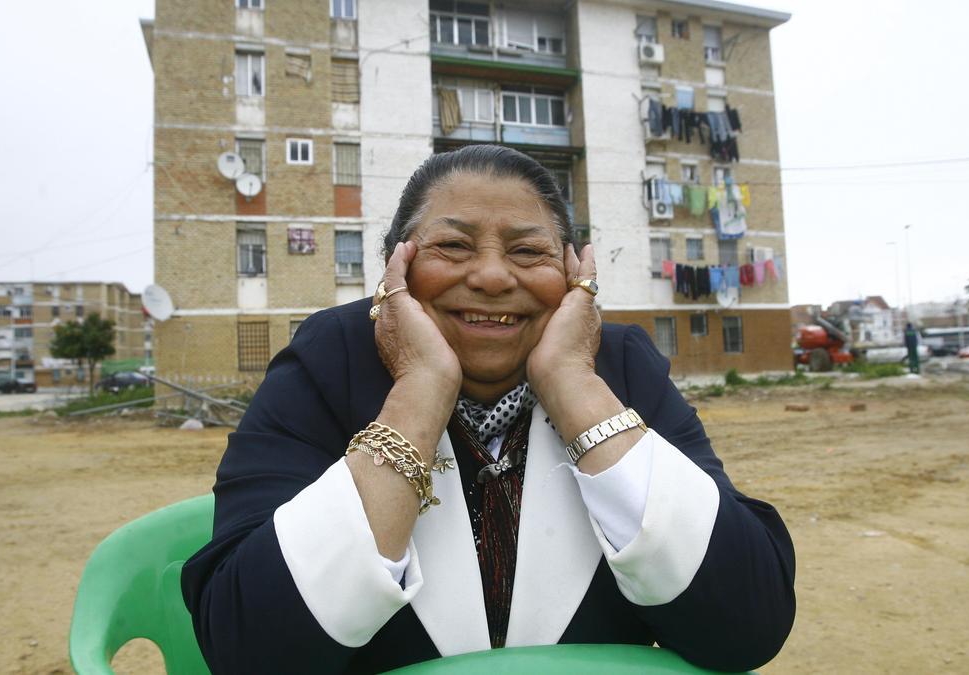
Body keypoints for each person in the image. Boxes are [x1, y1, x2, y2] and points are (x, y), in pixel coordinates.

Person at [181, 145, 795, 674]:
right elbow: (247, 647)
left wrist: (573, 383)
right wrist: (420, 389)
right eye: (452, 245)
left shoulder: (619, 363)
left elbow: (749, 621)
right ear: (397, 267)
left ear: (574, 273)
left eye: (529, 252)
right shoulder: (329, 358)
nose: (494, 276)